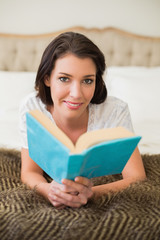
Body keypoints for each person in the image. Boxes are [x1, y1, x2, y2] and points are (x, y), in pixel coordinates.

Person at [19, 32, 146, 209]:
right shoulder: (33, 108)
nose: (76, 94)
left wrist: (90, 194)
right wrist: (49, 191)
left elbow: (136, 177)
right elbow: (30, 171)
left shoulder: (116, 111)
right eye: (64, 79)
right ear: (47, 78)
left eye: (87, 81)